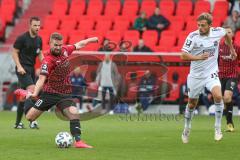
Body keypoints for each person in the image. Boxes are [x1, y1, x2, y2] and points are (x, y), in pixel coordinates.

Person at [16, 32, 98, 148]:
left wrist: (91, 39)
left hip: (65, 93)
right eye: (56, 45)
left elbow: (78, 45)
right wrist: (34, 93)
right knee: (30, 117)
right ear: (50, 43)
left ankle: (78, 141)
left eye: (60, 45)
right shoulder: (47, 60)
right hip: (49, 94)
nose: (58, 47)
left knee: (74, 113)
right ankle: (28, 96)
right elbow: (41, 78)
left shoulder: (65, 50)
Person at [180, 13, 237, 143]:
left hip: (211, 73)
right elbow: (183, 55)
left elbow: (227, 33)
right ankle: (186, 128)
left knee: (218, 96)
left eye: (203, 25)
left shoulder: (217, 32)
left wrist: (232, 50)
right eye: (199, 25)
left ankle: (217, 128)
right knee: (191, 104)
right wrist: (199, 57)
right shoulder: (193, 36)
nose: (200, 27)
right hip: (196, 75)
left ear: (210, 25)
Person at [12, 16, 43, 129]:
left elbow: (39, 53)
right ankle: (32, 121)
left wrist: (45, 65)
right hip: (22, 70)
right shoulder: (22, 38)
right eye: (35, 25)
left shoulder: (39, 40)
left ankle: (17, 123)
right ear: (30, 25)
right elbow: (14, 52)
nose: (37, 27)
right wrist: (19, 66)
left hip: (31, 70)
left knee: (23, 98)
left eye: (39, 25)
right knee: (33, 91)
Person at [218, 27, 240, 132]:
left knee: (227, 97)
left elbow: (236, 57)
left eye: (229, 32)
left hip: (232, 75)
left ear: (232, 34)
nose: (227, 33)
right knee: (224, 100)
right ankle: (228, 122)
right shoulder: (219, 47)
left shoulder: (237, 47)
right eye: (225, 32)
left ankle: (230, 123)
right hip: (221, 76)